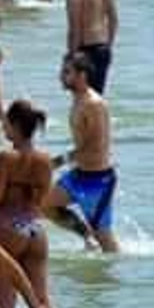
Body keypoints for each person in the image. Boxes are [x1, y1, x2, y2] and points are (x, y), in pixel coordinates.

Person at [0, 101, 55, 308]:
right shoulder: (45, 160)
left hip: (8, 230)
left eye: (6, 122)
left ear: (15, 125)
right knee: (42, 301)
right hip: (35, 230)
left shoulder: (6, 157)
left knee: (5, 302)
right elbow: (42, 201)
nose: (3, 126)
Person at [47, 51, 119, 253]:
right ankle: (86, 236)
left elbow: (95, 143)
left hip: (98, 180)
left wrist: (60, 160)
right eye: (62, 71)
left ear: (82, 75)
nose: (61, 76)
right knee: (44, 204)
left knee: (108, 246)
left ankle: (110, 281)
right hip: (79, 175)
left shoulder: (93, 104)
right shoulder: (77, 100)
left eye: (67, 72)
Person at [63, 0, 117, 95]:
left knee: (83, 100)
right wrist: (109, 45)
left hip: (85, 51)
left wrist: (72, 58)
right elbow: (113, 18)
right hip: (103, 47)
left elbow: (74, 30)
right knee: (97, 98)